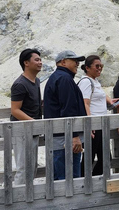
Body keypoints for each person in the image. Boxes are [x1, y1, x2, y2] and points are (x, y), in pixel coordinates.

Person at [44, 50, 87, 180]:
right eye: (74, 61)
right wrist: (73, 136)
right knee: (68, 180)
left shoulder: (59, 77)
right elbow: (68, 109)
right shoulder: (64, 79)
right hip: (65, 139)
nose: (78, 64)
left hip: (60, 137)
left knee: (62, 178)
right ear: (63, 62)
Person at [78, 55, 119, 176]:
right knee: (91, 158)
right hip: (94, 125)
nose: (99, 68)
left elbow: (100, 93)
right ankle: (86, 183)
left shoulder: (94, 81)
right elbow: (85, 103)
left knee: (105, 158)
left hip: (100, 125)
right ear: (87, 68)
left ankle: (95, 181)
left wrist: (110, 101)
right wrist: (89, 124)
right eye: (97, 66)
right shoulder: (86, 82)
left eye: (101, 66)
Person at [10, 48, 43, 185]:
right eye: (37, 59)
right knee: (23, 168)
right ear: (26, 63)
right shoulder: (20, 84)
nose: (40, 62)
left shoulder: (37, 81)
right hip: (21, 130)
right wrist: (34, 122)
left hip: (32, 129)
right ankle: (18, 201)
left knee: (32, 167)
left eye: (40, 59)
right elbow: (15, 110)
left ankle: (28, 199)